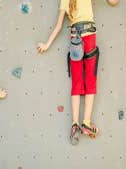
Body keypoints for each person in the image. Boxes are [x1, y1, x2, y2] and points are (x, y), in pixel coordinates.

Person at [37, 0, 100, 144]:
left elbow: (59, 26)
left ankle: (74, 124)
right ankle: (86, 123)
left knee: (77, 83)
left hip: (75, 40)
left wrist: (46, 45)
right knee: (90, 81)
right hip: (89, 37)